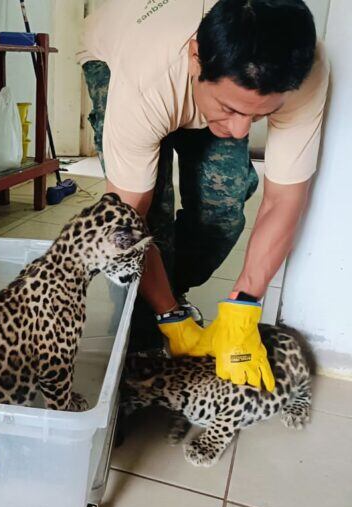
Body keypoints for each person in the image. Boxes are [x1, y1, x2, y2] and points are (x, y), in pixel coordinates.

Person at [77, 0, 329, 391]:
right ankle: (146, 324)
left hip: (194, 74)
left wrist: (245, 305)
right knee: (149, 220)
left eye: (259, 115)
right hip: (115, 57)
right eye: (230, 109)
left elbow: (284, 199)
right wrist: (168, 319)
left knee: (222, 212)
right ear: (196, 57)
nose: (243, 132)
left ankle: (170, 298)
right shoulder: (147, 78)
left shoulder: (303, 69)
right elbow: (126, 224)